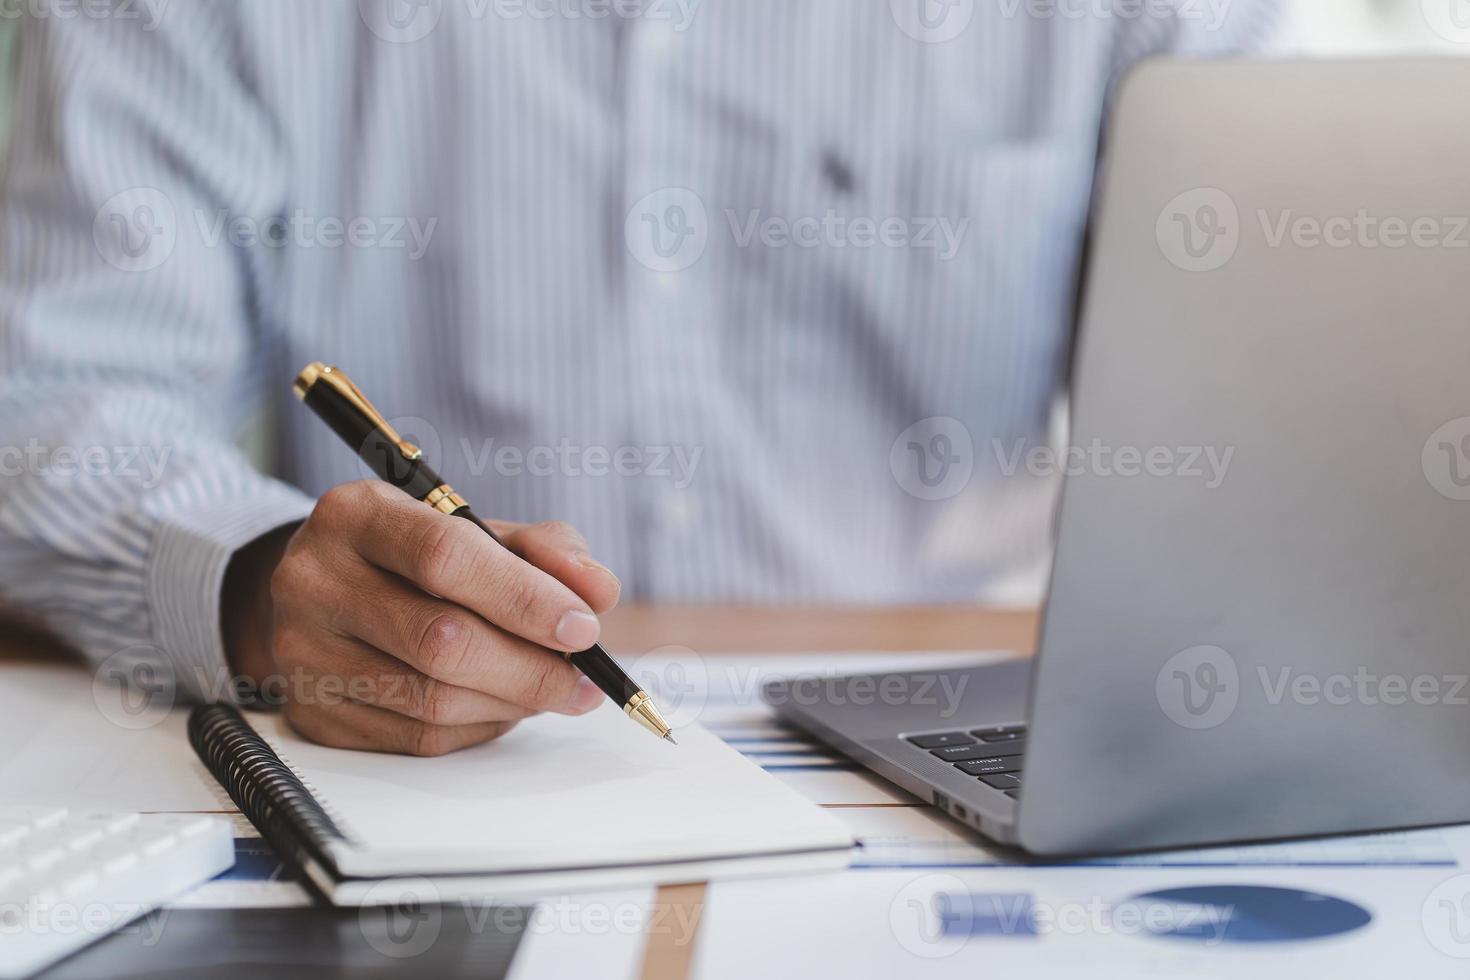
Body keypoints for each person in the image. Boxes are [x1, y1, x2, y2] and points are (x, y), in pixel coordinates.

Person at [0, 0, 1278, 754]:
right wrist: (252, 582)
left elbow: (1281, 404)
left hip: (971, 726)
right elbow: (50, 390)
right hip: (426, 774)